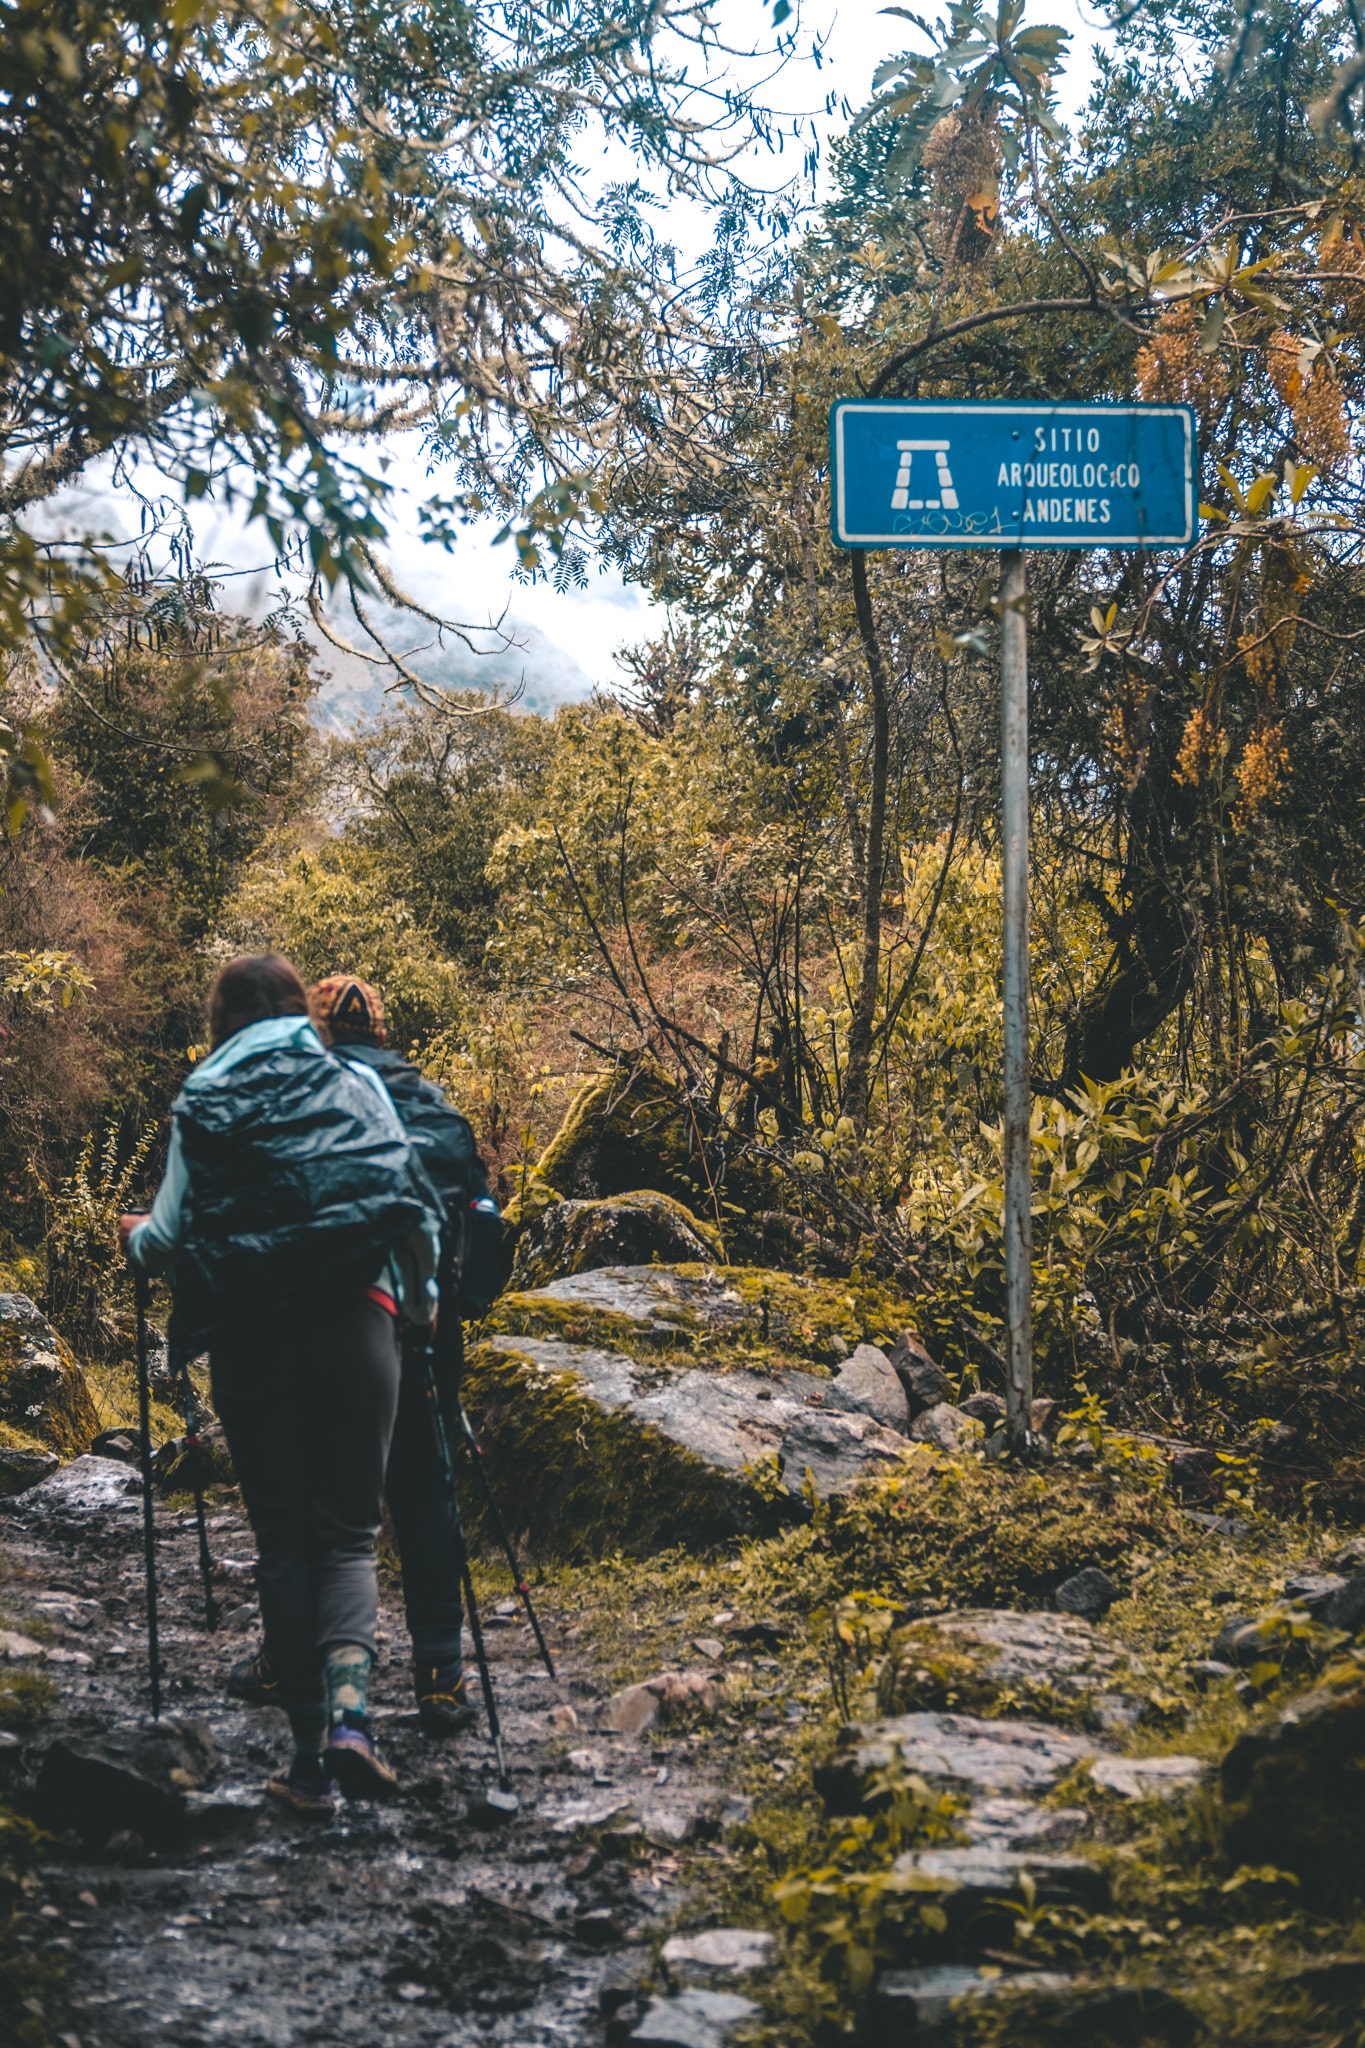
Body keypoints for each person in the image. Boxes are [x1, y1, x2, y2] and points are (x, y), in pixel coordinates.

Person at [119, 953, 443, 1814]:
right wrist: (419, 1303)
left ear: (219, 1022)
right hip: (357, 1322)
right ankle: (350, 1724)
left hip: (251, 1340)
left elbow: (169, 1236)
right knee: (347, 1536)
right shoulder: (349, 1079)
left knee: (286, 1543)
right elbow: (410, 1200)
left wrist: (132, 1240)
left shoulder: (204, 1100)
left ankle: (306, 1764)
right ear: (301, 1011)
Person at [230, 973, 502, 1737]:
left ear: (317, 1030)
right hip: (427, 1322)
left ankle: (292, 1660)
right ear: (383, 1030)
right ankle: (439, 1675)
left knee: (320, 1503)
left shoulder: (315, 1098)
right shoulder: (437, 1107)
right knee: (425, 1488)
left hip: (333, 1316)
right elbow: (481, 1231)